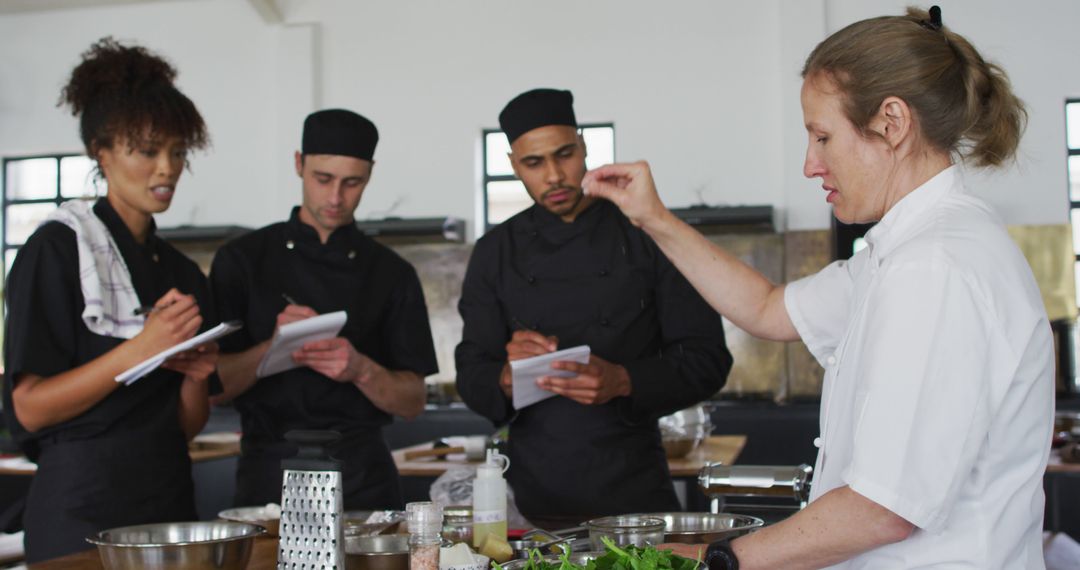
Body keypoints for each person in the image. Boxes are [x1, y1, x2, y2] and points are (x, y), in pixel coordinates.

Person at [585, 7, 1051, 569]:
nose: (810, 164)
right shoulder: (902, 251)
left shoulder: (935, 265)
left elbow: (884, 509)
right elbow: (769, 309)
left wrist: (720, 560)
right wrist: (653, 217)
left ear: (893, 123)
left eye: (822, 136)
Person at [455, 88, 732, 522]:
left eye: (564, 154)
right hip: (529, 496)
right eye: (533, 163)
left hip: (634, 489)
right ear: (513, 165)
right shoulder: (494, 252)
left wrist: (624, 379)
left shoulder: (647, 233)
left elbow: (708, 359)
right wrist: (506, 377)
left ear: (584, 146)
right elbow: (470, 371)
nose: (554, 176)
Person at [1, 38, 218, 562]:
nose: (166, 169)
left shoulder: (181, 270)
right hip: (81, 505)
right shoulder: (57, 249)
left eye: (177, 151)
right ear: (101, 151)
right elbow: (28, 409)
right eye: (146, 151)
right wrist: (143, 346)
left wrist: (193, 375)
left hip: (168, 499)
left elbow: (187, 424)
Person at [209, 109, 437, 510]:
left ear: (370, 174)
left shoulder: (391, 273)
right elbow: (213, 387)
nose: (335, 197)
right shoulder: (242, 260)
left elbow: (413, 401)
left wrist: (361, 369)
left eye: (352, 182)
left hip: (362, 479)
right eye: (323, 179)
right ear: (299, 165)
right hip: (269, 477)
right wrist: (272, 348)